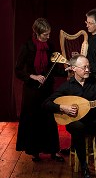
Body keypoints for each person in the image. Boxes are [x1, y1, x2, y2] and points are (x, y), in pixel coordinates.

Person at [43, 54, 96, 178]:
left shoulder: (95, 83)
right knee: (78, 127)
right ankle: (84, 168)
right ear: (74, 69)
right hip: (75, 122)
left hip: (93, 121)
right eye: (84, 67)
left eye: (88, 67)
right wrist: (63, 108)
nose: (87, 70)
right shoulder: (67, 86)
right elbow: (47, 103)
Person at [15, 18, 65, 162]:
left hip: (47, 89)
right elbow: (18, 70)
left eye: (49, 34)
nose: (48, 37)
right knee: (34, 120)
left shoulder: (50, 46)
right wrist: (33, 76)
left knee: (49, 119)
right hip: (32, 91)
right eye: (45, 34)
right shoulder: (27, 46)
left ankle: (53, 151)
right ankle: (35, 151)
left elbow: (54, 69)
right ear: (37, 33)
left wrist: (66, 71)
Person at [60, 8, 96, 156]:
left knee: (88, 115)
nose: (86, 25)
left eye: (90, 22)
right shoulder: (87, 40)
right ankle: (76, 146)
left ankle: (93, 147)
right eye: (86, 22)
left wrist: (83, 68)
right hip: (82, 81)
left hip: (93, 83)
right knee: (77, 114)